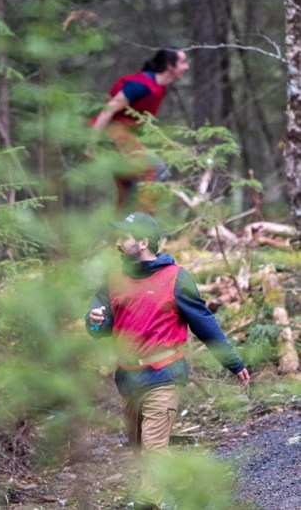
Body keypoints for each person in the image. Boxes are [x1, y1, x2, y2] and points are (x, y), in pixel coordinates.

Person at [85, 211, 248, 508]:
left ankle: (152, 502)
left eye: (124, 238)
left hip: (164, 374)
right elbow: (100, 326)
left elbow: (204, 322)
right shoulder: (113, 280)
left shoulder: (176, 278)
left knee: (154, 450)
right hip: (127, 377)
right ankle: (193, 490)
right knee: (140, 452)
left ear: (144, 242)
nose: (118, 243)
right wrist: (94, 320)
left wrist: (233, 362)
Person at [88, 48, 190, 213]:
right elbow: (108, 109)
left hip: (124, 137)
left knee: (128, 192)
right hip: (112, 135)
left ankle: (120, 235)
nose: (187, 67)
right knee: (156, 168)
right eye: (183, 62)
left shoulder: (159, 87)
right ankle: (138, 221)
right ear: (170, 66)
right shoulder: (140, 85)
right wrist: (90, 143)